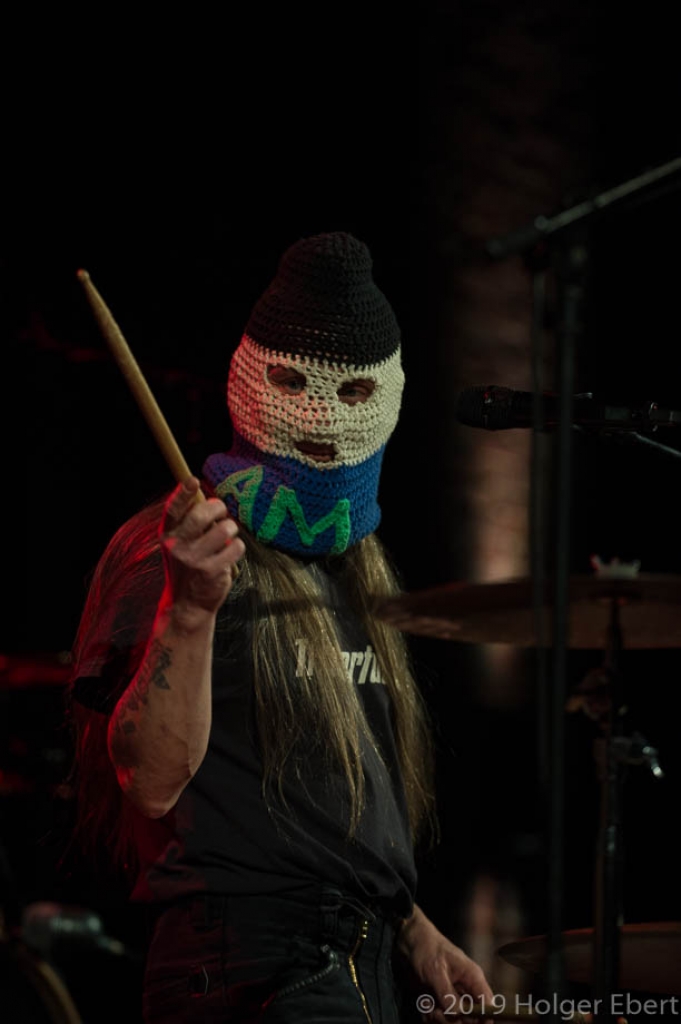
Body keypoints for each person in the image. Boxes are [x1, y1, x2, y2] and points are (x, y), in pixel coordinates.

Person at [68, 231, 492, 1023]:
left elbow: (322, 803)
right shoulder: (176, 547)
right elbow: (149, 784)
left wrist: (411, 928)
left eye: (354, 392)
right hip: (251, 961)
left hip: (358, 961)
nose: (320, 413)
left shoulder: (352, 570)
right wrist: (189, 610)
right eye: (290, 380)